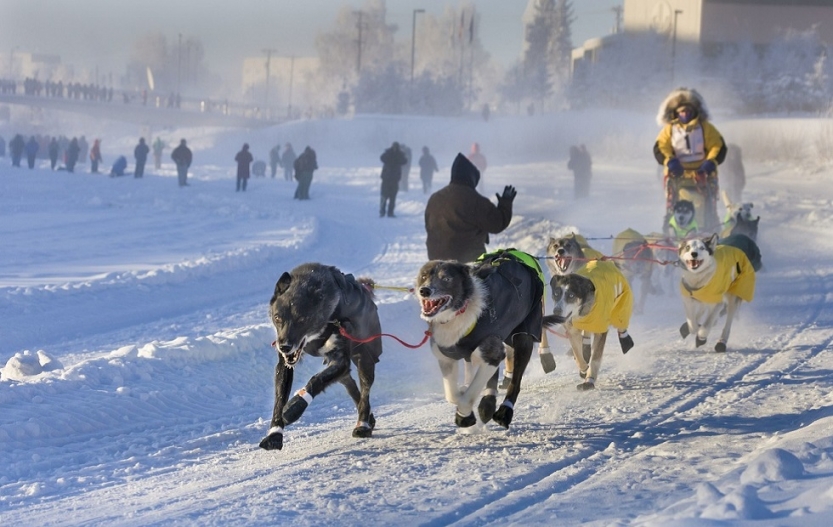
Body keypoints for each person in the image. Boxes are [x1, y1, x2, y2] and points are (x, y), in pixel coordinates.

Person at [654, 87, 726, 231]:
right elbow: (661, 146)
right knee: (678, 203)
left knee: (704, 204)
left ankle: (705, 229)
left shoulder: (705, 127)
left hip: (702, 173)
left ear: (694, 112)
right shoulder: (669, 129)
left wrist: (710, 162)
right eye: (681, 112)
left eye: (688, 111)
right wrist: (670, 160)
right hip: (677, 174)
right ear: (676, 113)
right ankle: (677, 232)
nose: (685, 114)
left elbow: (717, 145)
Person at [425, 153, 516, 262]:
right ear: (471, 178)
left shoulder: (435, 198)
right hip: (466, 264)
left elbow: (428, 226)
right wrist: (505, 203)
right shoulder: (474, 200)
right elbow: (496, 224)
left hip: (436, 261)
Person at [379, 142, 407, 217]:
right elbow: (382, 158)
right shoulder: (389, 153)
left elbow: (404, 161)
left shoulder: (399, 155)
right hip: (388, 178)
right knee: (384, 196)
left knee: (392, 197)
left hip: (393, 178)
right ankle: (383, 211)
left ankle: (389, 212)